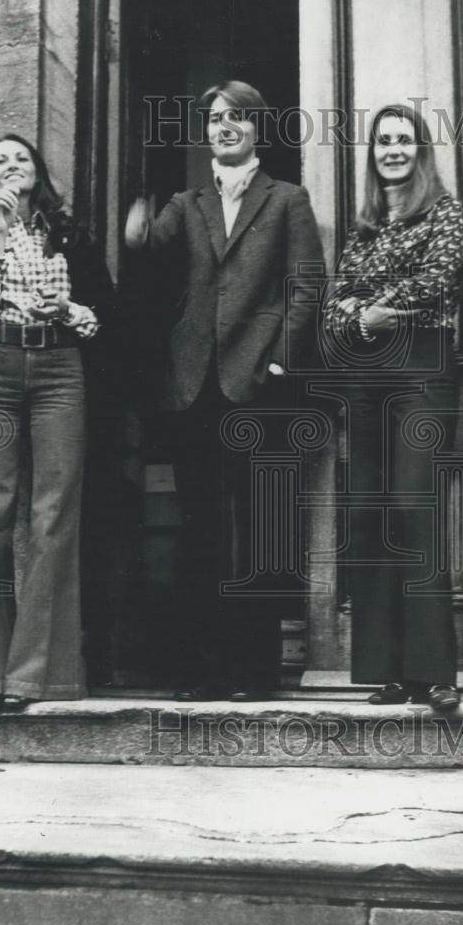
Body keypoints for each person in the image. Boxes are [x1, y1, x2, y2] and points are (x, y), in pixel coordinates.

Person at [123, 80, 323, 701]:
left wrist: (283, 361)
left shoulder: (287, 199)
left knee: (258, 526)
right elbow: (150, 256)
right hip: (192, 387)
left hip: (257, 382)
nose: (223, 127)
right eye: (214, 119)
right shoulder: (188, 202)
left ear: (256, 128)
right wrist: (135, 222)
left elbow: (307, 284)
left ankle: (253, 673)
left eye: (235, 118)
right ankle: (198, 672)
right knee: (199, 526)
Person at [0, 133, 116, 710]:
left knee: (53, 514)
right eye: (0, 161)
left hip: (60, 367)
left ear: (39, 170)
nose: (12, 166)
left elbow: (102, 318)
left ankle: (38, 676)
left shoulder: (70, 235)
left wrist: (69, 310)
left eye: (22, 158)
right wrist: (1, 234)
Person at [322, 103, 463, 711]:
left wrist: (370, 307)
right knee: (374, 515)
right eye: (383, 141)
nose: (392, 150)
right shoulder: (363, 229)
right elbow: (334, 305)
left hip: (423, 368)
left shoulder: (445, 212)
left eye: (403, 140)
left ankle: (437, 675)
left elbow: (442, 278)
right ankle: (391, 672)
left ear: (420, 149)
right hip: (367, 375)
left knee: (414, 508)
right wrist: (362, 315)